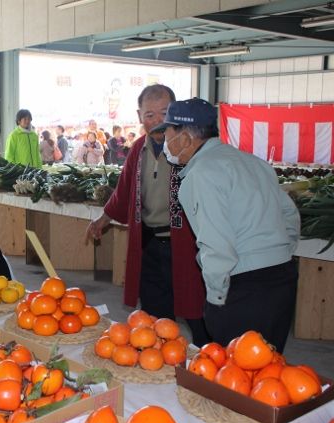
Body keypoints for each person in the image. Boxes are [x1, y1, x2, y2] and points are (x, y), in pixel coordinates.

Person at [155, 97, 299, 352]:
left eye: (167, 132)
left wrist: (216, 299)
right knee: (270, 366)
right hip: (282, 280)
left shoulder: (201, 174)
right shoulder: (253, 162)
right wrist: (278, 255)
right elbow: (289, 214)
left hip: (244, 288)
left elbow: (216, 243)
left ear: (185, 138)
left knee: (237, 368)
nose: (164, 141)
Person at [86, 84, 209, 347]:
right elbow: (123, 192)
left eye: (164, 113)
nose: (157, 121)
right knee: (154, 318)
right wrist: (102, 220)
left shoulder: (189, 147)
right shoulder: (138, 149)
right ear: (140, 116)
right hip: (150, 244)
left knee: (197, 310)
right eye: (150, 115)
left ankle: (209, 360)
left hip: (186, 244)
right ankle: (159, 359)